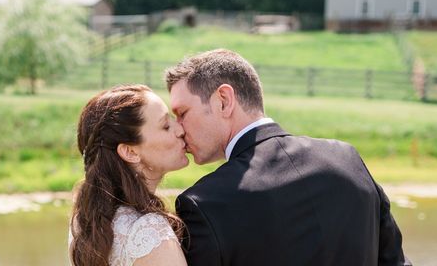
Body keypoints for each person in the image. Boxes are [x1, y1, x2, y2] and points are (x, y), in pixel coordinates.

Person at [165, 49, 411, 266]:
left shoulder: (204, 204)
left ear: (224, 101)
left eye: (182, 113)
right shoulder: (347, 158)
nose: (179, 128)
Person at [69, 84, 189, 266]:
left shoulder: (84, 223)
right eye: (165, 126)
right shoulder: (150, 232)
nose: (180, 130)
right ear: (130, 152)